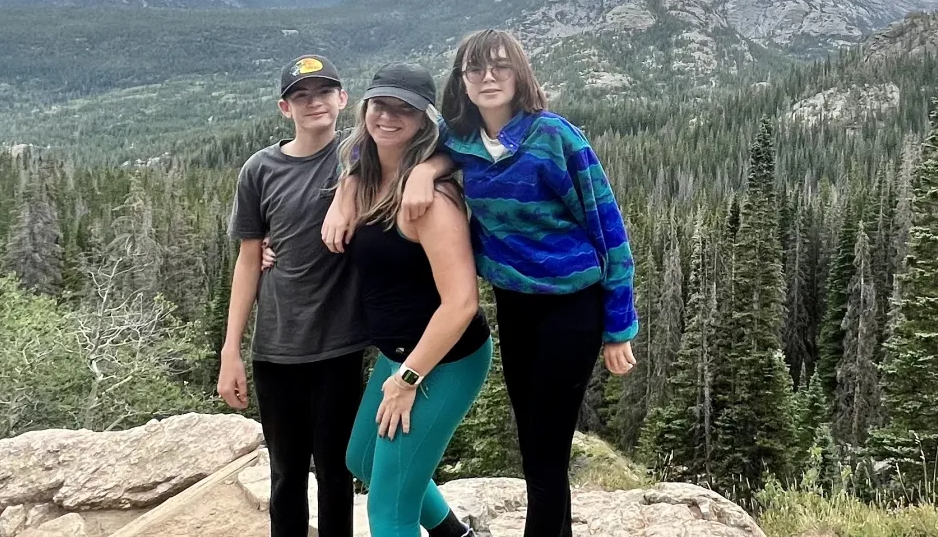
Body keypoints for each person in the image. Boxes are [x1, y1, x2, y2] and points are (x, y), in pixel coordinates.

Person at [325, 30, 637, 537]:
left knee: (545, 451)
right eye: (476, 69)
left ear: (520, 75)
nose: (488, 78)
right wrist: (394, 178)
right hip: (515, 304)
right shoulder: (463, 138)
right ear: (462, 82)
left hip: (570, 305)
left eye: (500, 67)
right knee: (532, 439)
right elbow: (400, 150)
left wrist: (619, 327)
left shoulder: (555, 137)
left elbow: (609, 230)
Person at [337, 62, 492, 537]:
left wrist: (407, 380)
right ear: (365, 108)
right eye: (380, 105)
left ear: (425, 120)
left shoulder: (431, 201)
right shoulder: (367, 177)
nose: (388, 116)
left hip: (443, 360)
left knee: (389, 510)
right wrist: (345, 189)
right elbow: (358, 157)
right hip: (399, 352)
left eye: (403, 109)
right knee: (362, 458)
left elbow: (461, 303)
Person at [219, 54, 368, 537]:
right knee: (285, 476)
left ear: (343, 98)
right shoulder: (259, 170)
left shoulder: (362, 153)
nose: (313, 102)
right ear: (285, 108)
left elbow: (434, 138)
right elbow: (248, 260)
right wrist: (231, 351)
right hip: (277, 348)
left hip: (339, 346)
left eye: (323, 92)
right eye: (301, 96)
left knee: (336, 473)